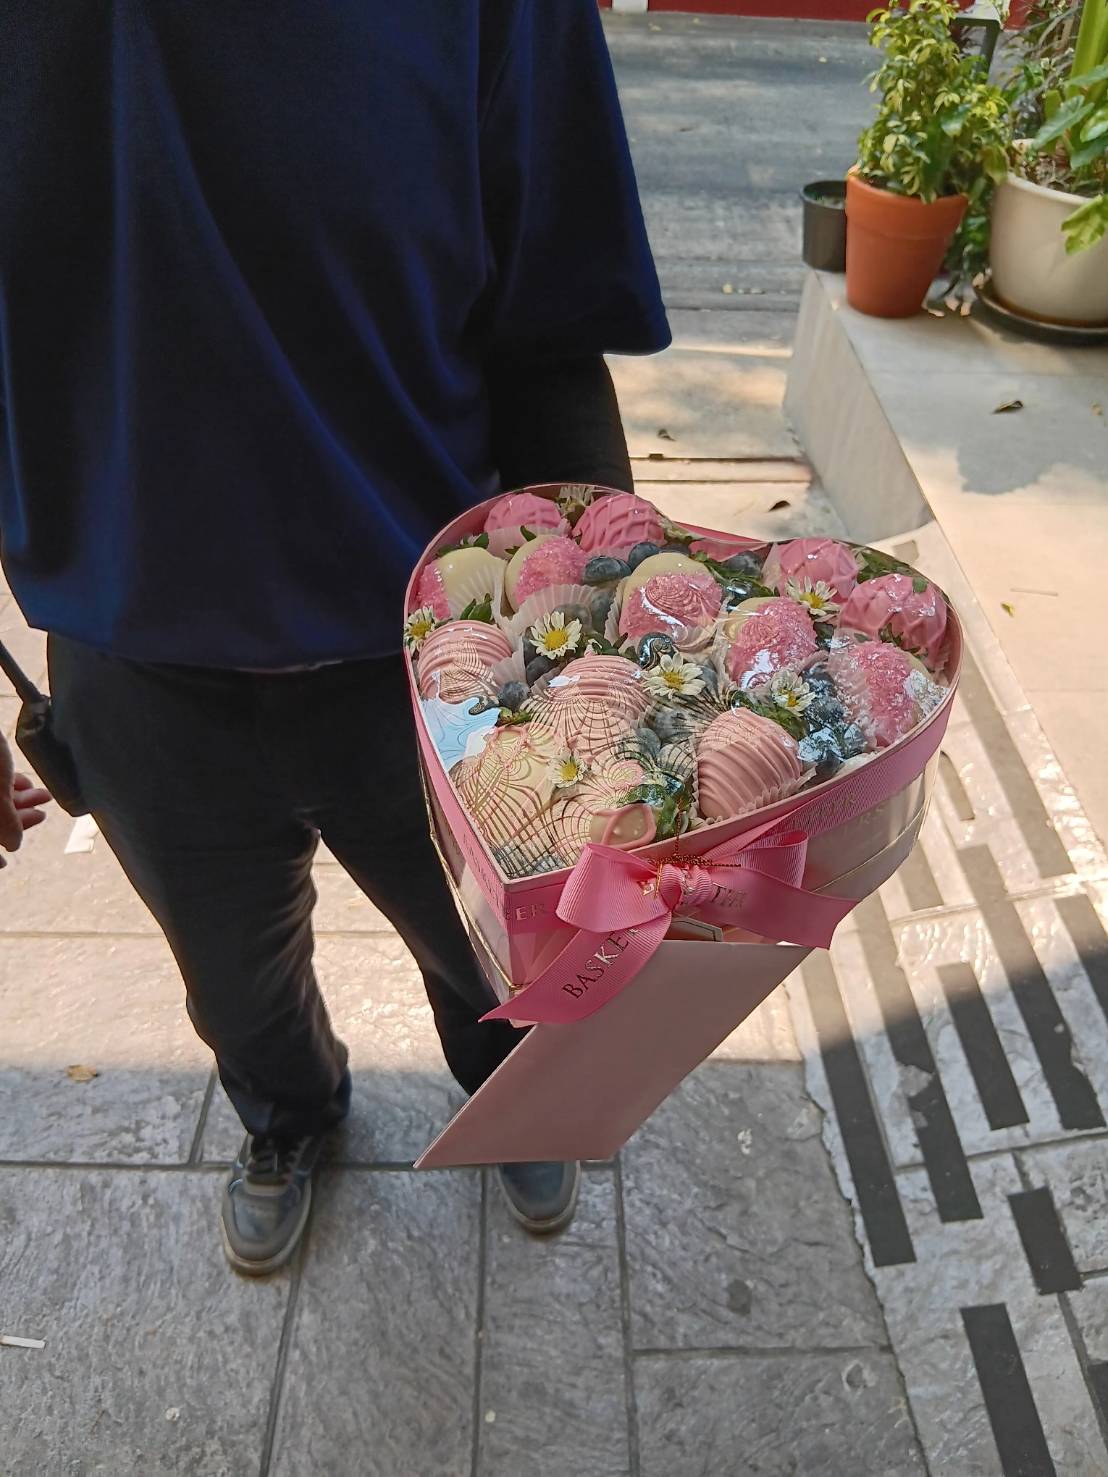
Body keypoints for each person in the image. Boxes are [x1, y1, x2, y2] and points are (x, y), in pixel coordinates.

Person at [0, 1, 670, 1273]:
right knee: (232, 983)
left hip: (435, 654)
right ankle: (289, 1117)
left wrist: (610, 674)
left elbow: (548, 327)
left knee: (496, 951)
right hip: (131, 656)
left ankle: (507, 1093)